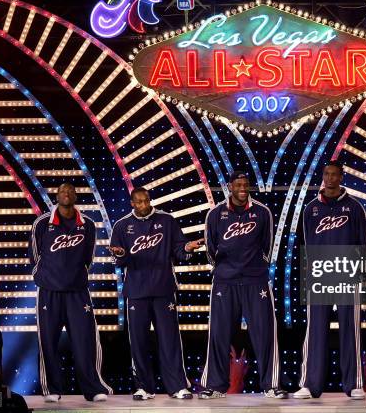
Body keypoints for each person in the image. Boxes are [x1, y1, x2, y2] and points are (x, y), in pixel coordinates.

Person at [109, 187, 204, 400]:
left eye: (146, 201)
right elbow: (118, 259)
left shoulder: (167, 221)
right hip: (136, 292)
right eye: (139, 202)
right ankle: (144, 387)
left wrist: (188, 248)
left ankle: (178, 386)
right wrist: (121, 254)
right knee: (139, 341)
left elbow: (179, 249)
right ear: (132, 203)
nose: (144, 205)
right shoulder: (122, 225)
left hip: (164, 290)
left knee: (169, 340)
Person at [200, 171, 287, 399]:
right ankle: (215, 386)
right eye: (238, 184)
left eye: (245, 185)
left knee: (265, 333)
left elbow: (268, 246)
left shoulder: (262, 212)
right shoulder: (215, 214)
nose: (242, 188)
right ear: (230, 186)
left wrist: (255, 267)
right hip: (224, 282)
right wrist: (223, 269)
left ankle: (271, 384)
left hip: (254, 280)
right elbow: (210, 249)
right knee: (218, 335)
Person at [29, 183, 112, 402]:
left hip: (77, 293)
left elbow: (88, 258)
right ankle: (53, 389)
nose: (66, 194)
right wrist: (44, 278)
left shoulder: (88, 224)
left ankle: (93, 388)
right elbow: (35, 255)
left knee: (85, 340)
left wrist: (75, 276)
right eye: (62, 191)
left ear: (75, 195)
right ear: (56, 196)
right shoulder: (42, 223)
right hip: (49, 292)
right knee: (48, 341)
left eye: (70, 191)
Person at [294, 161, 366, 400]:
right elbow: (306, 246)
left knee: (350, 330)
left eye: (334, 174)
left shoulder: (355, 208)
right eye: (326, 174)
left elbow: (364, 245)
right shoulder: (311, 209)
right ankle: (309, 384)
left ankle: (354, 383)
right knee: (315, 331)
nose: (329, 178)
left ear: (341, 177)